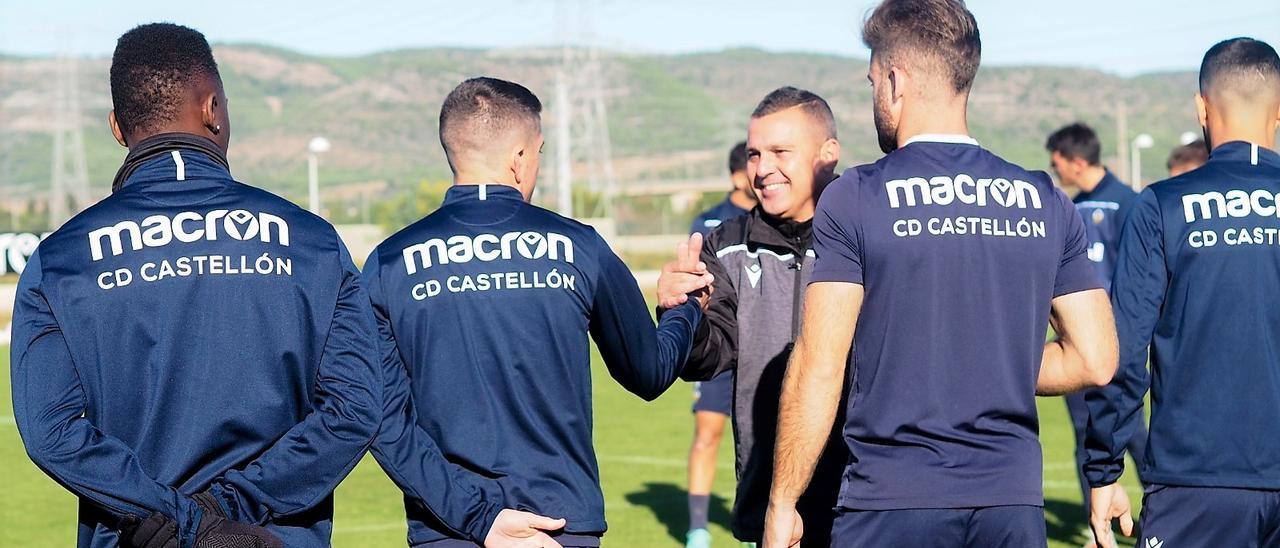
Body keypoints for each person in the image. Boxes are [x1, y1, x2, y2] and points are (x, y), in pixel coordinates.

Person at [763, 1, 1119, 546]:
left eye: (873, 82)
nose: (874, 96)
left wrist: (783, 502)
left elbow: (819, 364)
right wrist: (986, 365)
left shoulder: (855, 195)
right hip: (1011, 503)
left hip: (892, 499)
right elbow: (1096, 360)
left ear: (895, 81)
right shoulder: (1045, 199)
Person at [11, 23, 376, 548]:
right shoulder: (312, 242)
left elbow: (52, 433)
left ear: (117, 127)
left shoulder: (60, 260)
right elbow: (353, 409)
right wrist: (225, 513)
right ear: (213, 110)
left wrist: (185, 519)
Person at [362, 77, 711, 548]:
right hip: (560, 525)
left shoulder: (389, 262)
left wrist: (478, 518)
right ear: (520, 157)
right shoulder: (579, 245)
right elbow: (648, 373)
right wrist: (683, 309)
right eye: (540, 153)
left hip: (449, 529)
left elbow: (382, 419)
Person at [1086, 37, 1280, 548]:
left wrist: (1103, 468)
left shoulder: (1163, 205)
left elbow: (1125, 349)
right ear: (1279, 110)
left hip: (1195, 483)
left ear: (1201, 107)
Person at [659, 86, 844, 548]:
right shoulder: (726, 244)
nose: (762, 169)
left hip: (863, 502)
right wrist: (683, 316)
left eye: (781, 152)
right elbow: (708, 358)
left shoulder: (867, 235)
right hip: (770, 503)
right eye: (755, 154)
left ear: (828, 153)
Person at [1044, 122, 1147, 536]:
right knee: (1083, 434)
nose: (1054, 171)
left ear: (1076, 162)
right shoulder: (1070, 209)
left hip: (1119, 345)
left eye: (1056, 163)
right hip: (1074, 344)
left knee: (1132, 433)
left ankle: (1160, 514)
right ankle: (1096, 527)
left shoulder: (1131, 205)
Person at [684, 141, 753, 548]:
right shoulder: (709, 222)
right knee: (708, 433)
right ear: (736, 176)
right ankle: (698, 528)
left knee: (763, 438)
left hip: (758, 349)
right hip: (718, 348)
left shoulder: (770, 221)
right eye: (754, 163)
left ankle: (754, 523)